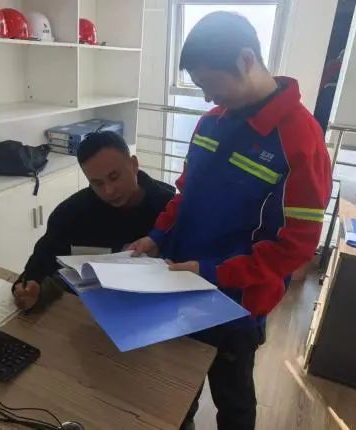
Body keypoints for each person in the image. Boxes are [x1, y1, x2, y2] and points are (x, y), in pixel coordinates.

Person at [129, 12, 332, 430]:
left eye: (210, 84)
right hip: (180, 281)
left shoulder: (301, 139)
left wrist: (212, 272)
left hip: (235, 303)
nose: (207, 98)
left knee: (233, 399)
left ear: (245, 60)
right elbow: (185, 195)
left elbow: (296, 247)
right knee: (176, 386)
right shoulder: (211, 122)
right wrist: (157, 236)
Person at [13, 131, 174, 312]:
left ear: (134, 164)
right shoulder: (70, 215)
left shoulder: (171, 207)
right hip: (86, 313)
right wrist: (29, 291)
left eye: (114, 177)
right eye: (97, 183)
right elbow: (37, 269)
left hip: (160, 310)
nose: (109, 191)